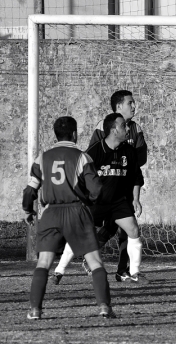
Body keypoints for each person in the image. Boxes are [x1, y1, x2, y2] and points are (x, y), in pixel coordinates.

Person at [22, 116, 116, 319]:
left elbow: (30, 189)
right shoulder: (82, 157)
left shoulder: (42, 157)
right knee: (95, 262)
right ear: (74, 134)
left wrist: (28, 210)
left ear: (55, 135)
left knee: (44, 263)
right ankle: (104, 307)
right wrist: (89, 202)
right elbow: (96, 189)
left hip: (51, 213)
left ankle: (35, 310)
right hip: (76, 211)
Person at [53, 90, 146, 283]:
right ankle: (60, 270)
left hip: (120, 198)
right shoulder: (96, 148)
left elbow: (137, 172)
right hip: (98, 199)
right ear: (113, 130)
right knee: (84, 233)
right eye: (131, 103)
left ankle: (130, 272)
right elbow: (82, 172)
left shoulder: (133, 137)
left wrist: (135, 198)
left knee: (132, 230)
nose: (134, 106)